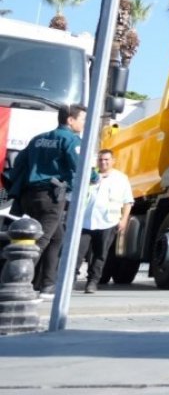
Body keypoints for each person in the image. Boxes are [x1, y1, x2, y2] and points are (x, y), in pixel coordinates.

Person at [6, 103, 87, 297]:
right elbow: (80, 166)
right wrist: (93, 178)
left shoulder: (38, 139)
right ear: (70, 120)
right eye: (83, 119)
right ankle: (13, 284)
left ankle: (46, 285)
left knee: (56, 237)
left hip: (29, 196)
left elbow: (19, 164)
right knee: (40, 241)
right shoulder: (71, 140)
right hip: (50, 197)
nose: (84, 124)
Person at [76, 149, 133, 293]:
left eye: (107, 159)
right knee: (78, 252)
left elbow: (128, 201)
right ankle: (69, 280)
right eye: (101, 159)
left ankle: (92, 282)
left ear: (113, 161)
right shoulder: (89, 175)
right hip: (85, 220)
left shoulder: (121, 178)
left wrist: (124, 220)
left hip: (108, 221)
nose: (103, 162)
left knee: (100, 254)